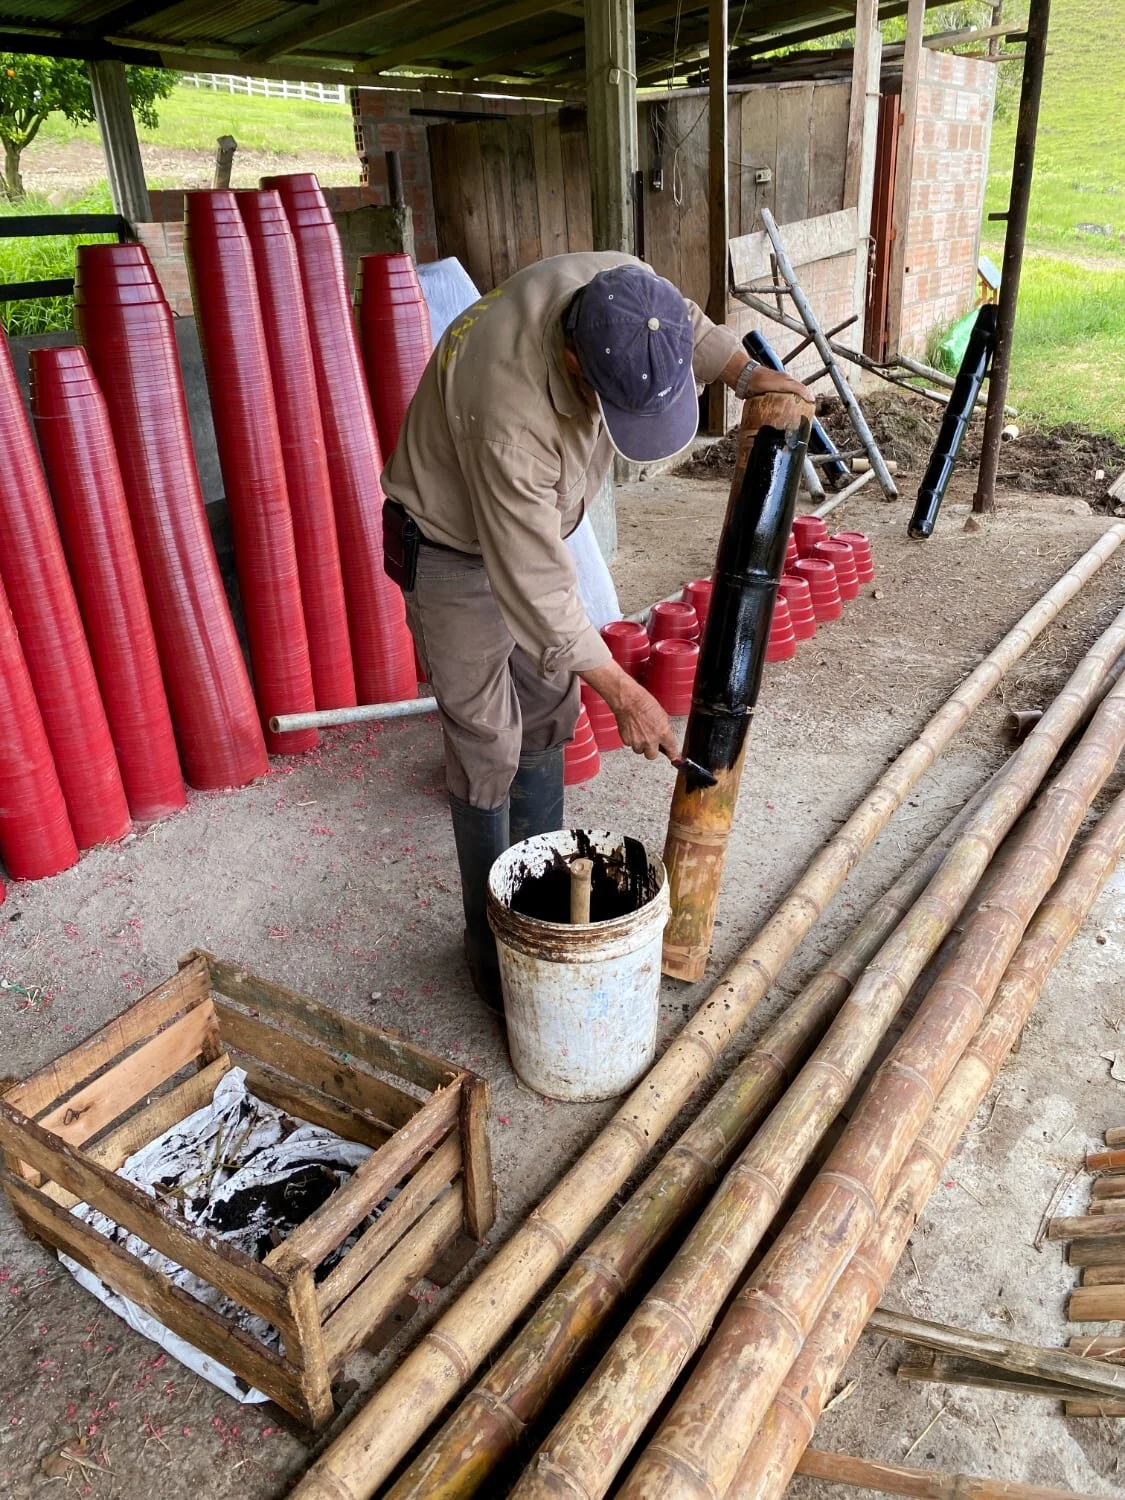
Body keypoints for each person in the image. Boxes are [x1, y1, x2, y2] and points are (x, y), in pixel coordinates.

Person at [382, 251, 810, 1008]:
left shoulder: (622, 288)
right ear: (575, 360)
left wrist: (746, 374)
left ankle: (541, 893)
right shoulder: (509, 418)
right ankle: (492, 943)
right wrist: (623, 692)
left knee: (550, 707)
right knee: (487, 738)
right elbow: (537, 588)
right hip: (451, 544)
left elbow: (686, 323)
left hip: (529, 527)